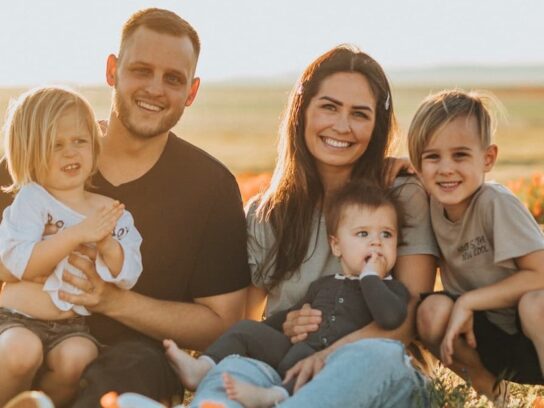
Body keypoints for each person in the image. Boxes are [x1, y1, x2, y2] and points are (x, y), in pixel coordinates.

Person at [0, 8, 251, 407]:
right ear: (112, 69)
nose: (155, 88)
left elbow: (222, 324)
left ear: (192, 91)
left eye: (173, 78)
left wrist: (112, 301)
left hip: (133, 356)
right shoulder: (38, 162)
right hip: (20, 331)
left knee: (125, 372)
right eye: (141, 70)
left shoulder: (211, 187)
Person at [189, 44, 438, 408]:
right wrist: (286, 324)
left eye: (360, 114)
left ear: (376, 125)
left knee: (375, 357)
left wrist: (326, 355)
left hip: (373, 371)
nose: (341, 126)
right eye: (329, 107)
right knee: (235, 369)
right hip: (284, 371)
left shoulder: (400, 195)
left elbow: (409, 320)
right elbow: (247, 320)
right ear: (302, 111)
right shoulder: (266, 212)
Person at [163, 182, 410, 407]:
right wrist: (268, 331)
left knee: (313, 373)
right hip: (294, 352)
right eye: (363, 234)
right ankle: (203, 367)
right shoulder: (324, 284)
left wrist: (370, 277)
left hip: (336, 365)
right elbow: (288, 317)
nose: (376, 243)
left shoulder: (392, 290)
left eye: (386, 234)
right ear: (337, 245)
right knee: (246, 330)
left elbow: (390, 318)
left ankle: (275, 396)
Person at [0, 86, 142, 407]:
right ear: (30, 153)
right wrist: (75, 235)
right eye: (55, 145)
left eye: (79, 141)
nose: (70, 152)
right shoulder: (32, 200)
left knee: (79, 357)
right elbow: (19, 262)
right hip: (16, 318)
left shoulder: (108, 209)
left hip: (70, 325)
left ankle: (41, 403)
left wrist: (107, 246)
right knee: (21, 351)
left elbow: (128, 274)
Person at [410, 89, 544, 403]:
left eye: (460, 155)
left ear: (488, 158)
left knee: (534, 304)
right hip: (492, 335)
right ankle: (497, 396)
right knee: (430, 310)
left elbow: (540, 274)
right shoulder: (429, 201)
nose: (446, 168)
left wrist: (469, 302)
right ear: (418, 164)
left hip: (533, 326)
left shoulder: (494, 203)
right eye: (433, 157)